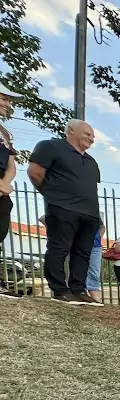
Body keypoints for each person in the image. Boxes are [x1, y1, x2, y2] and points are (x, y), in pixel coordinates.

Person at [27, 120, 102, 305]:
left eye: (92, 136)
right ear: (71, 130)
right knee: (59, 248)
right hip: (62, 208)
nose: (91, 139)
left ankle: (78, 289)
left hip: (90, 214)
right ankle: (59, 289)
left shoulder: (91, 161)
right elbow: (35, 172)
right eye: (87, 134)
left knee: (83, 252)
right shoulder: (50, 146)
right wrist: (53, 195)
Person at [0, 82, 22, 299]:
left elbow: (11, 164)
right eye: (4, 99)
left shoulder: (5, 133)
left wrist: (5, 184)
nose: (8, 104)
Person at [86, 221, 106, 303]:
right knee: (78, 271)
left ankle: (96, 300)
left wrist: (98, 236)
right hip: (76, 245)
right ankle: (80, 295)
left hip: (95, 246)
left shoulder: (94, 212)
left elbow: (102, 226)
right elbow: (42, 218)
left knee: (94, 272)